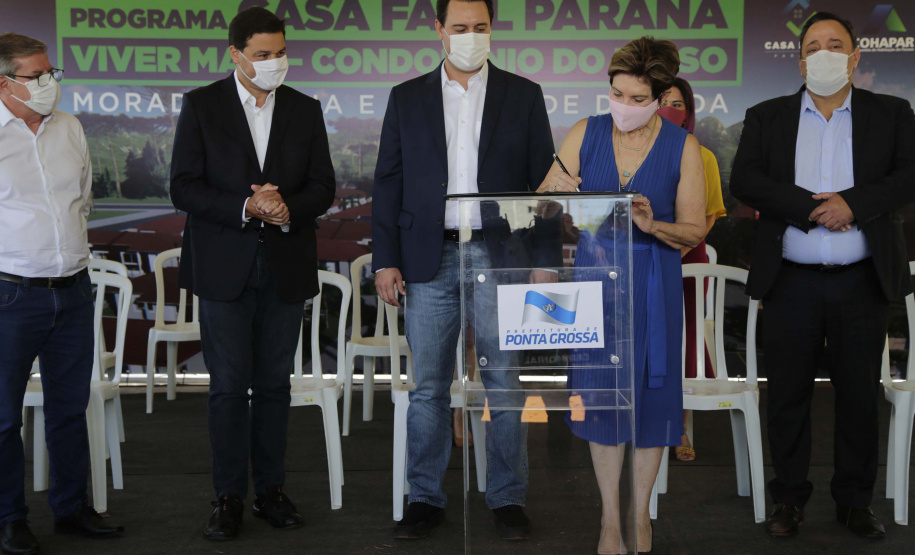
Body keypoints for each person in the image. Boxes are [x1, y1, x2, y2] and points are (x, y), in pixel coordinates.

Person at [372, 0, 554, 541]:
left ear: (492, 28)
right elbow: (388, 183)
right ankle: (424, 498)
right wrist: (386, 258)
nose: (470, 36)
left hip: (501, 255)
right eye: (459, 27)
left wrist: (545, 262)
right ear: (439, 30)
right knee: (428, 386)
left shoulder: (523, 95)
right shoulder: (406, 97)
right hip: (428, 257)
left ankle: (507, 499)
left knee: (505, 382)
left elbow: (546, 187)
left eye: (480, 27)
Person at [731, 12, 915, 540]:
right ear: (800, 61)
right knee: (787, 395)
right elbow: (746, 179)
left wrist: (852, 204)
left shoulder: (892, 113)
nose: (824, 54)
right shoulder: (768, 115)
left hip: (862, 279)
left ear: (856, 56)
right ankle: (788, 500)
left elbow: (908, 174)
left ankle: (854, 503)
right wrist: (810, 209)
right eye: (813, 47)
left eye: (836, 45)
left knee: (858, 396)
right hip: (791, 280)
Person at [170, 7, 335, 541]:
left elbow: (323, 186)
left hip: (285, 265)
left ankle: (271, 491)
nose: (274, 63)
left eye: (280, 53)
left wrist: (286, 208)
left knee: (273, 387)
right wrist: (247, 206)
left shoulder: (305, 109)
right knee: (226, 387)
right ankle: (228, 497)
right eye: (263, 55)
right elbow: (183, 187)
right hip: (224, 267)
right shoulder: (202, 105)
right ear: (235, 54)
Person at [539, 37, 706, 554]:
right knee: (599, 395)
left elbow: (694, 230)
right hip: (595, 279)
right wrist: (557, 196)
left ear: (659, 98)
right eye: (617, 94)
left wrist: (652, 225)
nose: (624, 106)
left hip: (655, 279)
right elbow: (543, 201)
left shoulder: (683, 147)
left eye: (637, 99)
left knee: (653, 398)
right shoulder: (584, 131)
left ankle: (641, 516)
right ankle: (610, 520)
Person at [0, 32, 124, 555]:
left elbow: (83, 200)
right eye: (36, 75)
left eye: (51, 72)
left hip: (73, 289)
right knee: (4, 419)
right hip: (10, 294)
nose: (49, 82)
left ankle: (71, 509)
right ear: (4, 83)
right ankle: (9, 519)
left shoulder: (70, 127)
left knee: (70, 408)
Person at [657, 77, 727, 462]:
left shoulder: (703, 156)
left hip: (688, 257)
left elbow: (710, 214)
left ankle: (679, 425)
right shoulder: (632, 151)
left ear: (688, 114)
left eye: (677, 104)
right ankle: (645, 418)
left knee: (684, 338)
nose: (669, 109)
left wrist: (680, 247)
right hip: (646, 255)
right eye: (662, 101)